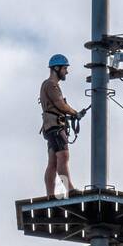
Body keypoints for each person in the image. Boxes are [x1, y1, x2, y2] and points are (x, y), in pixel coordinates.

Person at [40, 53, 83, 197]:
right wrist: (74, 112)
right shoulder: (51, 85)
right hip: (55, 127)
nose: (66, 72)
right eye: (65, 68)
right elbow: (60, 104)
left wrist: (72, 113)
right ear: (56, 68)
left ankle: (50, 195)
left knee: (53, 162)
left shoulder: (49, 85)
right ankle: (69, 189)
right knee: (63, 157)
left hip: (51, 127)